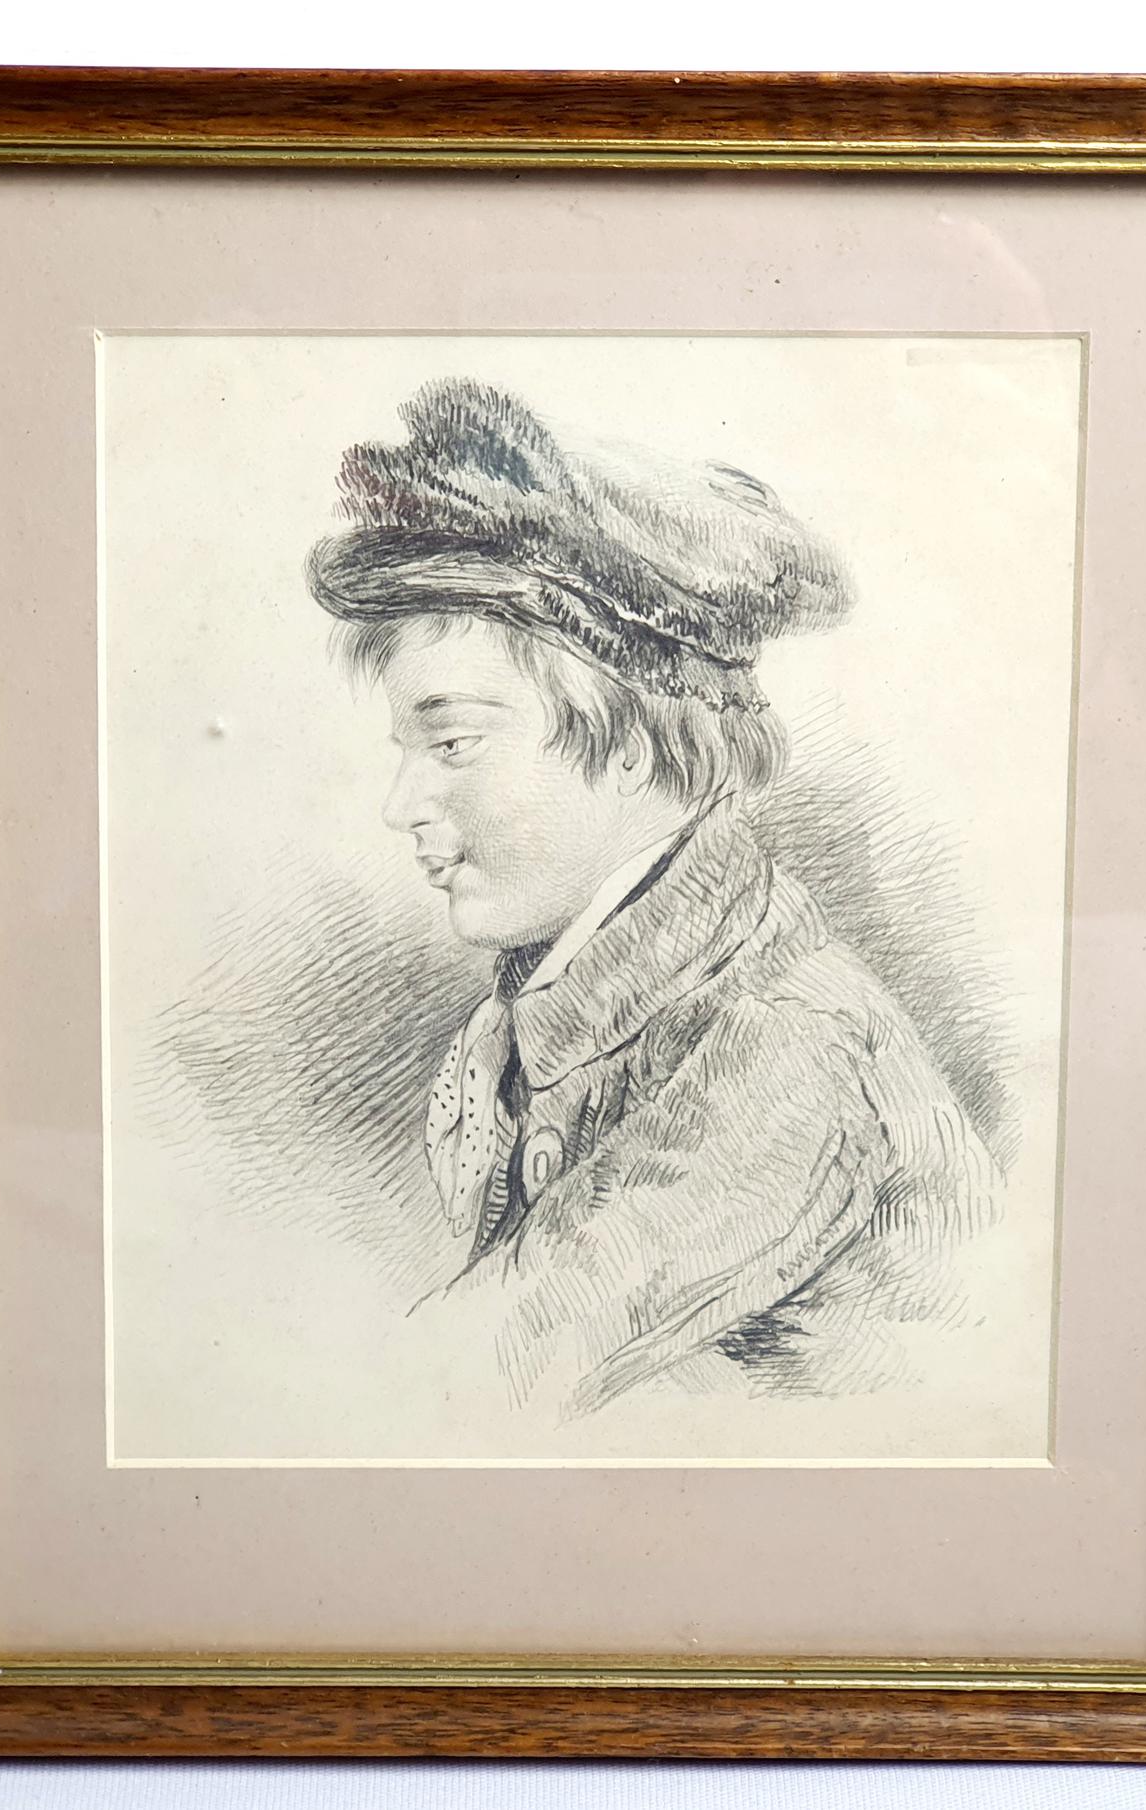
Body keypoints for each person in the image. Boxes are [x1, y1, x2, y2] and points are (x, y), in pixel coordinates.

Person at [306, 377, 1000, 1421]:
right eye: (408, 749)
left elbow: (453, 1398)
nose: (401, 804)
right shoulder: (540, 1012)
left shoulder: (790, 1048)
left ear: (629, 747)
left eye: (451, 743)